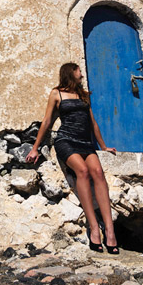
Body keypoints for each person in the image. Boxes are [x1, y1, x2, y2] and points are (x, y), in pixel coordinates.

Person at [26, 63, 119, 253]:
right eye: (79, 72)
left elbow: (92, 122)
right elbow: (47, 121)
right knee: (83, 172)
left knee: (98, 173)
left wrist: (103, 146)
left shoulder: (83, 95)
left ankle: (110, 232)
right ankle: (94, 228)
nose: (82, 75)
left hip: (85, 143)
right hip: (66, 140)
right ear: (70, 72)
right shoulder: (56, 93)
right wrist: (35, 148)